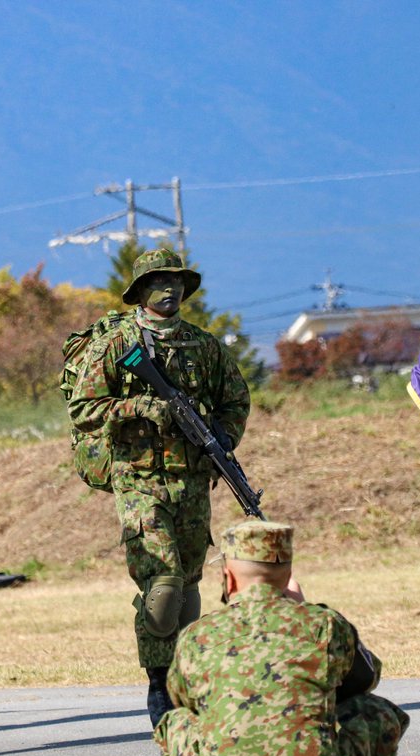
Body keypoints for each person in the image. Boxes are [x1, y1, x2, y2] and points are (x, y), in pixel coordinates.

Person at [68, 247, 251, 728]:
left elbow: (235, 402)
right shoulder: (117, 344)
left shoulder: (204, 345)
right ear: (140, 290)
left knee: (189, 587)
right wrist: (139, 409)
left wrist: (218, 441)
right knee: (162, 583)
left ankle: (183, 681)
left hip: (191, 482)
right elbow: (84, 410)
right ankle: (157, 681)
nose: (168, 290)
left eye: (176, 282)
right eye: (158, 281)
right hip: (138, 480)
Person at [155, 520, 408, 756]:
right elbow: (366, 679)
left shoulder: (197, 635)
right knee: (375, 711)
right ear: (288, 575)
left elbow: (184, 700)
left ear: (229, 577)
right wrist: (301, 610)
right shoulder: (324, 624)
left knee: (176, 721)